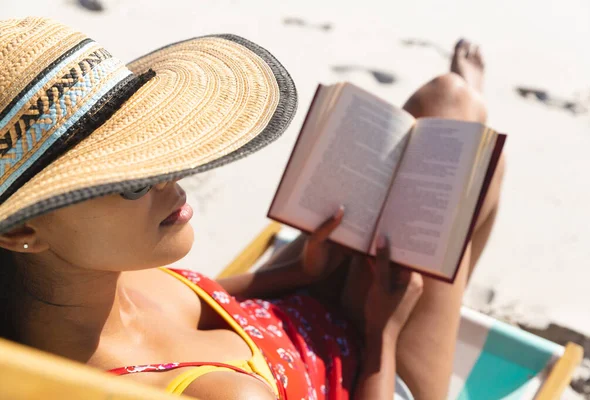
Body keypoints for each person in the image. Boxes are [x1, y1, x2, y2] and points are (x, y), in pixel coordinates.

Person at [0, 17, 504, 400]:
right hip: (372, 372)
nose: (174, 180)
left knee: (444, 108)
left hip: (292, 311)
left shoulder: (86, 275)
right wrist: (383, 333)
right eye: (134, 180)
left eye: (161, 154)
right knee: (469, 150)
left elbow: (205, 302)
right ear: (23, 226)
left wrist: (290, 275)